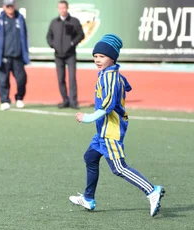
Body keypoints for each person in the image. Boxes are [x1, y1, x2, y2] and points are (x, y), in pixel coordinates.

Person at [70, 34, 165, 217]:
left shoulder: (110, 77)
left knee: (119, 168)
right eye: (95, 56)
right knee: (90, 158)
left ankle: (152, 190)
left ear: (112, 57)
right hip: (102, 130)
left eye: (102, 56)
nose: (97, 60)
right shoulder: (110, 73)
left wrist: (87, 117)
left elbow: (108, 106)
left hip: (110, 129)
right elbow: (124, 87)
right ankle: (88, 198)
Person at [0, 0, 30, 110]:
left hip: (18, 55)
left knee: (22, 79)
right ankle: (4, 100)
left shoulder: (20, 18)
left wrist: (25, 51)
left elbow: (25, 35)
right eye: (7, 6)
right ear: (3, 7)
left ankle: (19, 98)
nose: (10, 8)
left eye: (11, 5)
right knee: (3, 80)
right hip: (3, 55)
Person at [46, 0, 85, 109]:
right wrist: (52, 44)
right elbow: (49, 36)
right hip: (58, 55)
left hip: (70, 55)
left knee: (72, 78)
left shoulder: (74, 21)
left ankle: (73, 101)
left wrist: (72, 43)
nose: (62, 10)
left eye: (64, 8)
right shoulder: (54, 22)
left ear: (67, 8)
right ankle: (65, 100)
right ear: (58, 9)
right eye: (60, 8)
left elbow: (81, 35)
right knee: (60, 79)